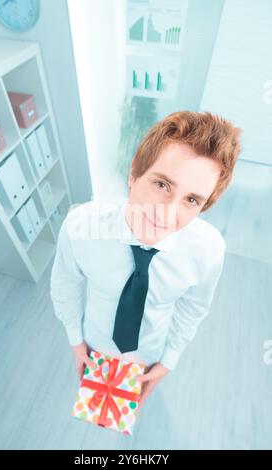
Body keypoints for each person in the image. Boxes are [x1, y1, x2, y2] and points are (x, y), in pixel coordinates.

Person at [50, 110, 242, 409]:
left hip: (152, 347)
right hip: (95, 338)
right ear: (134, 174)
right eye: (162, 185)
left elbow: (193, 307)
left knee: (132, 407)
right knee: (98, 413)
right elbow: (66, 284)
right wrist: (76, 341)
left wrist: (168, 361)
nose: (168, 212)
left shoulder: (208, 251)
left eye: (191, 200)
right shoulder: (80, 227)